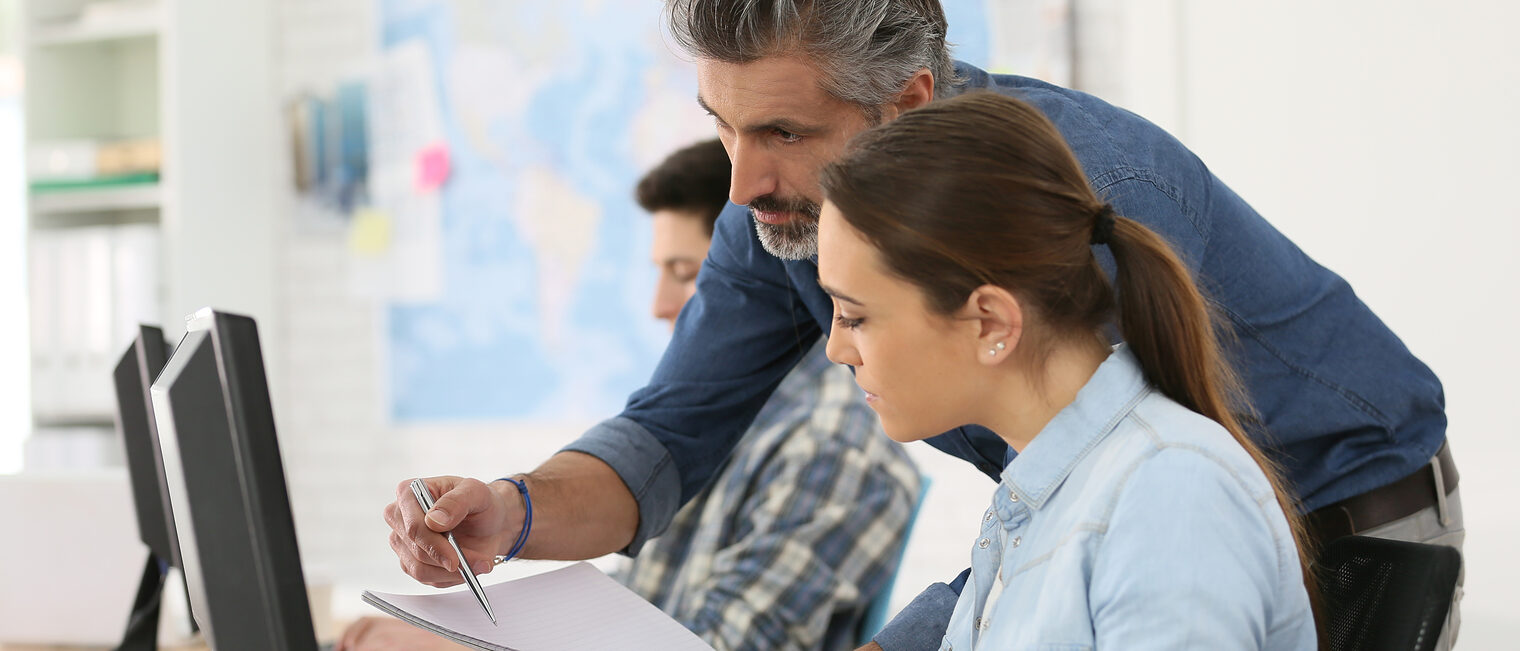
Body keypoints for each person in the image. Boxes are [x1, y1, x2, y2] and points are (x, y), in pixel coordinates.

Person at [384, 2, 1460, 649]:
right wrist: (510, 513)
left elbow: (1143, 504)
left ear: (903, 104)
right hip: (1074, 522)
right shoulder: (779, 212)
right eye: (720, 128)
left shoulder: (1084, 209)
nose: (743, 178)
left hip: (1337, 511)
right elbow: (668, 434)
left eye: (783, 131)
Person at [342, 139, 919, 651]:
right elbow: (641, 606)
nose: (660, 305)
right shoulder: (719, 431)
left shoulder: (830, 448)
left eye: (690, 273)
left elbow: (719, 642)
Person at [816, 90, 1315, 648]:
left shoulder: (1170, 495)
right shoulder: (1043, 494)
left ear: (990, 324)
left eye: (855, 316)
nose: (837, 348)